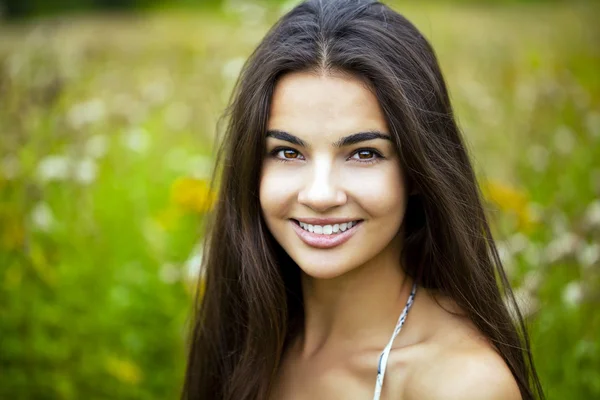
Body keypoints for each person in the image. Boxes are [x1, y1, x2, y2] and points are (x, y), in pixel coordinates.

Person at [181, 0, 544, 399]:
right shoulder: (248, 336)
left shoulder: (462, 385)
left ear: (418, 172)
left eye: (364, 153)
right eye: (288, 152)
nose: (320, 195)